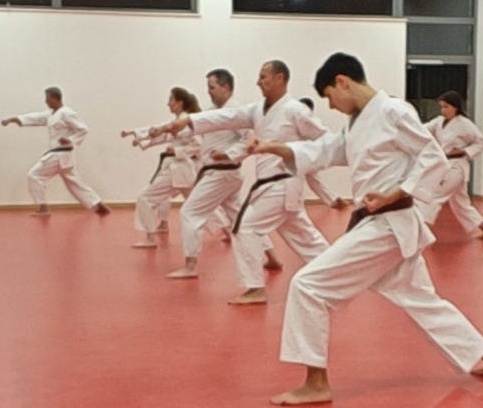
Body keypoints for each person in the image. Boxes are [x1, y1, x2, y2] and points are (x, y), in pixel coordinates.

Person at [247, 53, 483, 405]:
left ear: (343, 81)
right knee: (422, 301)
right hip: (382, 224)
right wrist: (270, 147)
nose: (333, 105)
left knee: (308, 286)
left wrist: (396, 192)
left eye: (330, 96)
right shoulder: (357, 123)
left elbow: (431, 156)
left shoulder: (393, 111)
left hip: (388, 224)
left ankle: (315, 383)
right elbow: (323, 151)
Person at [163, 60, 331, 305]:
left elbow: (326, 140)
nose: (258, 82)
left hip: (282, 183)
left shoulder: (296, 110)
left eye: (264, 76)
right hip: (272, 186)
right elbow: (225, 117)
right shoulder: (257, 110)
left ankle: (255, 288)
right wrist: (189, 121)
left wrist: (299, 157)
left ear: (280, 78)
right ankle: (335, 271)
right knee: (305, 237)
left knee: (246, 228)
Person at [165, 70, 247, 279]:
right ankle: (272, 256)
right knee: (241, 219)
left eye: (212, 87)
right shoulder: (212, 112)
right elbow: (192, 128)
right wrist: (158, 131)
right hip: (221, 173)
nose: (208, 92)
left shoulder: (238, 112)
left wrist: (228, 154)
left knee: (189, 213)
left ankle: (190, 265)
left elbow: (249, 139)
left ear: (226, 87)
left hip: (223, 172)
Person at [2, 87, 109, 217]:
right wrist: (13, 119)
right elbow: (36, 117)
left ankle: (43, 208)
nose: (46, 101)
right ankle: (98, 204)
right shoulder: (52, 114)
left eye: (48, 98)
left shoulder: (67, 113)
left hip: (60, 153)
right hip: (64, 155)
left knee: (34, 175)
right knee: (74, 182)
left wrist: (70, 139)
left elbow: (83, 129)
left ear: (55, 98)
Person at [125, 87, 201, 248]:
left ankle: (151, 238)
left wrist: (177, 150)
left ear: (179, 103)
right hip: (181, 170)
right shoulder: (180, 121)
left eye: (171, 100)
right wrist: (138, 136)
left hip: (177, 168)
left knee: (145, 198)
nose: (168, 104)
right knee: (198, 203)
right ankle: (226, 229)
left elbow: (199, 146)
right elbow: (162, 131)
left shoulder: (187, 122)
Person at [421, 91, 483, 240]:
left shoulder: (464, 124)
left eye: (446, 107)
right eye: (441, 107)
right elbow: (422, 129)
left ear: (455, 107)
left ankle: (423, 232)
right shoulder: (438, 121)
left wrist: (464, 150)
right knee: (461, 204)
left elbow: (480, 142)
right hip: (445, 164)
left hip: (457, 166)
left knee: (436, 195)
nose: (443, 110)